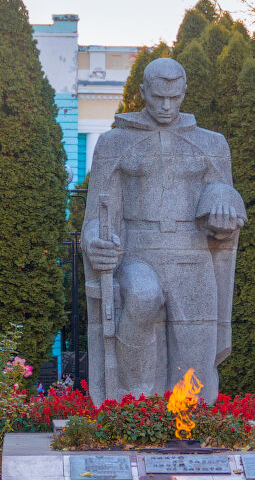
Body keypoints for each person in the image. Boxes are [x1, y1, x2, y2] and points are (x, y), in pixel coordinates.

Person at [82, 58, 245, 406]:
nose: (166, 106)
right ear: (143, 92)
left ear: (184, 92)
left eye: (174, 97)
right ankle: (135, 404)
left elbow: (223, 194)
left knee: (195, 350)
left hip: (192, 251)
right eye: (157, 98)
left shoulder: (212, 143)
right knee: (142, 296)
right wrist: (96, 241)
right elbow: (96, 213)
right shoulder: (114, 142)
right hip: (137, 251)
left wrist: (223, 209)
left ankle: (188, 419)